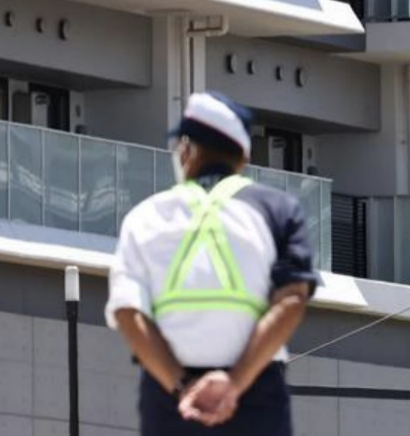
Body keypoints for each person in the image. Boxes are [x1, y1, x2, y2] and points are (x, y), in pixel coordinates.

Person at [105, 92, 316, 435]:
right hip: (256, 396)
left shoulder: (144, 216)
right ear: (244, 156)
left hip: (170, 399)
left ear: (186, 150)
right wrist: (234, 383)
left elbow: (127, 313)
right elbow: (292, 300)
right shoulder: (280, 210)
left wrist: (181, 386)